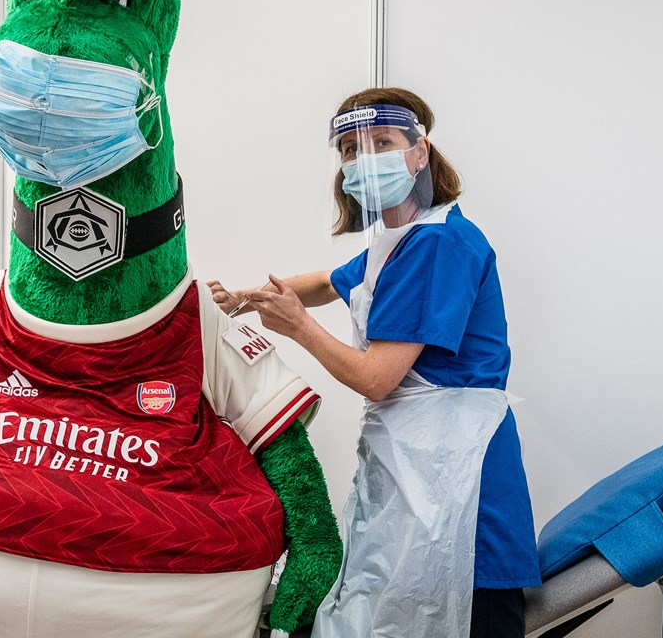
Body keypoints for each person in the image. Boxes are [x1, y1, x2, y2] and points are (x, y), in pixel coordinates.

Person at [208, 87, 540, 638]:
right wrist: (244, 297)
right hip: (418, 469)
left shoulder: (439, 245)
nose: (362, 160)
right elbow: (326, 282)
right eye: (349, 151)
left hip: (456, 487)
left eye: (380, 142)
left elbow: (377, 378)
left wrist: (298, 328)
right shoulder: (405, 239)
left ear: (419, 151)